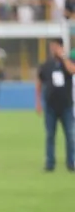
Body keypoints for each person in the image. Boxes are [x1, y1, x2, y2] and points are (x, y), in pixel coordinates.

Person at [36, 38, 75, 172]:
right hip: (50, 105)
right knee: (50, 135)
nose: (53, 49)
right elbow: (39, 82)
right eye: (52, 46)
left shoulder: (68, 62)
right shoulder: (46, 64)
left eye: (56, 46)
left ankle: (71, 162)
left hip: (66, 105)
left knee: (70, 135)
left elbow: (72, 70)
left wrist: (64, 57)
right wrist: (38, 103)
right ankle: (50, 163)